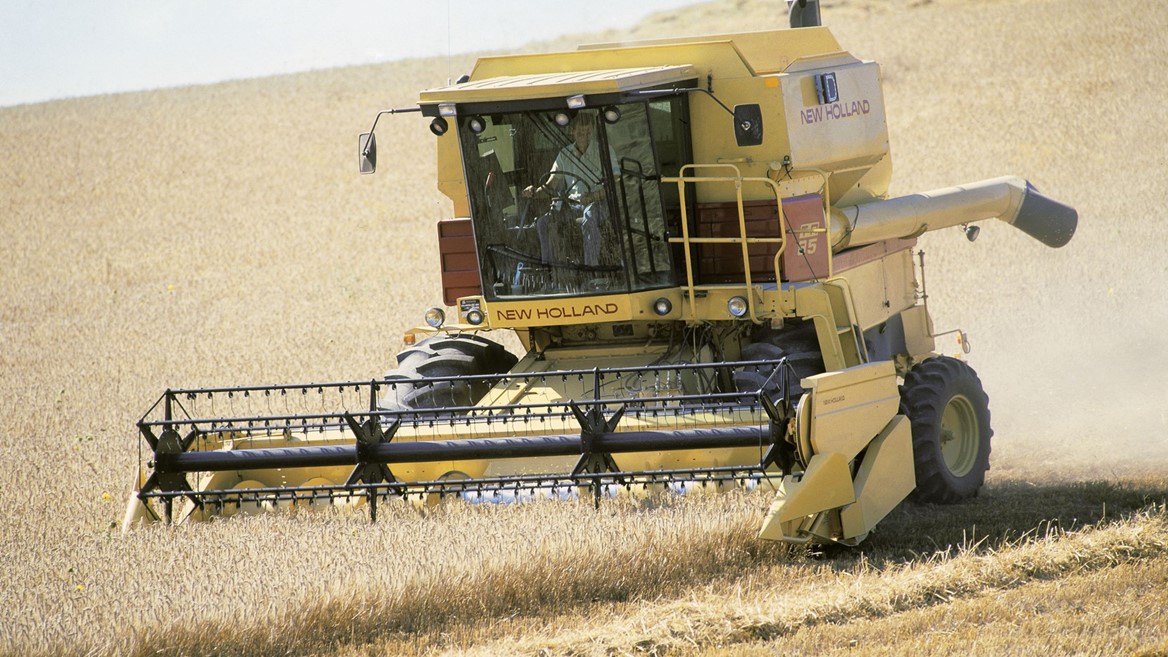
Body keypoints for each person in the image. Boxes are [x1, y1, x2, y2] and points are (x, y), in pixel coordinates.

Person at [522, 113, 620, 268]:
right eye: (581, 133)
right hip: (572, 207)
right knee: (543, 223)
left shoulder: (604, 151)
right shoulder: (564, 155)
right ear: (572, 131)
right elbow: (550, 186)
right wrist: (534, 192)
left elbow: (616, 183)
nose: (585, 137)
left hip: (600, 204)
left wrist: (594, 196)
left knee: (589, 217)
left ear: (592, 130)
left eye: (588, 132)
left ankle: (591, 270)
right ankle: (549, 270)